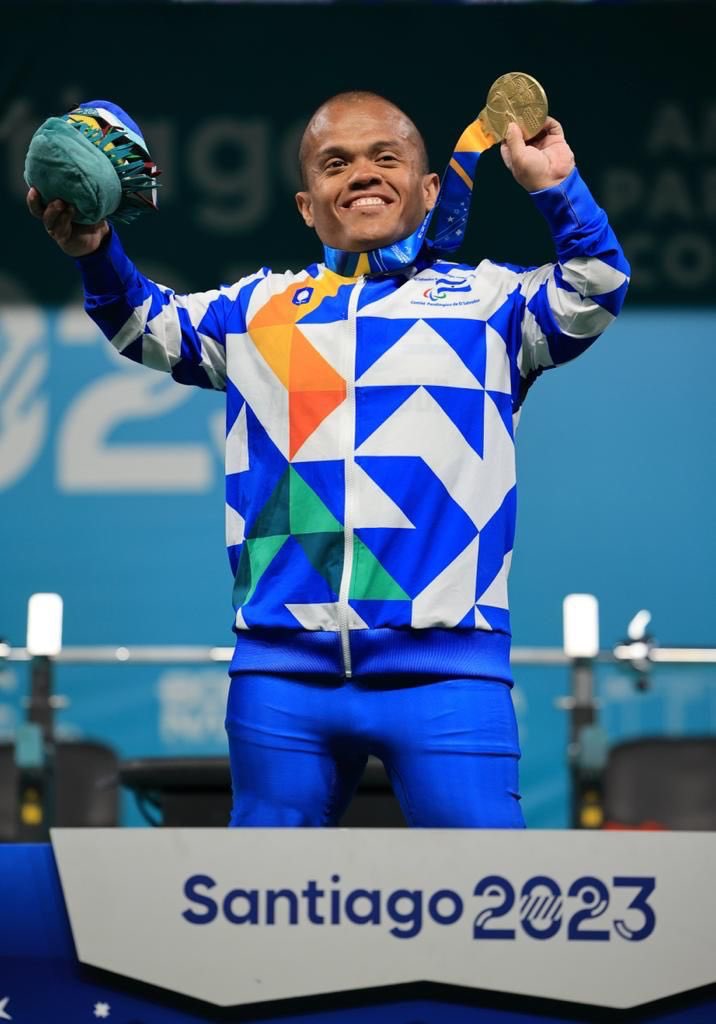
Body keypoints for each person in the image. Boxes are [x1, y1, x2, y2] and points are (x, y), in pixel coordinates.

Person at [28, 91, 629, 828]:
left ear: (432, 188)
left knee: (491, 909)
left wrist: (553, 183)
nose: (363, 175)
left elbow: (598, 286)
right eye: (336, 163)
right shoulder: (255, 311)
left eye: (387, 158)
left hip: (447, 672)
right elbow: (142, 322)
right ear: (308, 206)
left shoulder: (491, 305)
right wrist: (95, 252)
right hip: (283, 673)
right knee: (262, 916)